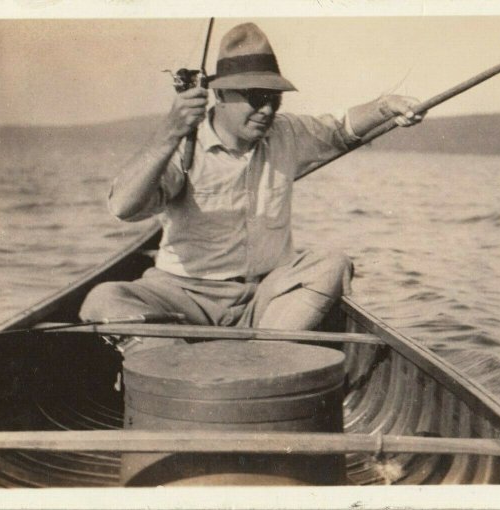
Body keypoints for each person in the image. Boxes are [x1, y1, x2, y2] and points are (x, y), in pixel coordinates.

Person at [79, 23, 422, 352]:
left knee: (332, 263)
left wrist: (384, 107)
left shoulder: (286, 133)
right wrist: (171, 130)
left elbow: (341, 128)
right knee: (103, 299)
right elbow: (123, 207)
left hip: (264, 298)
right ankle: (188, 363)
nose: (268, 109)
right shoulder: (182, 145)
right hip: (183, 296)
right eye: (257, 97)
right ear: (220, 94)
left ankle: (255, 354)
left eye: (275, 98)